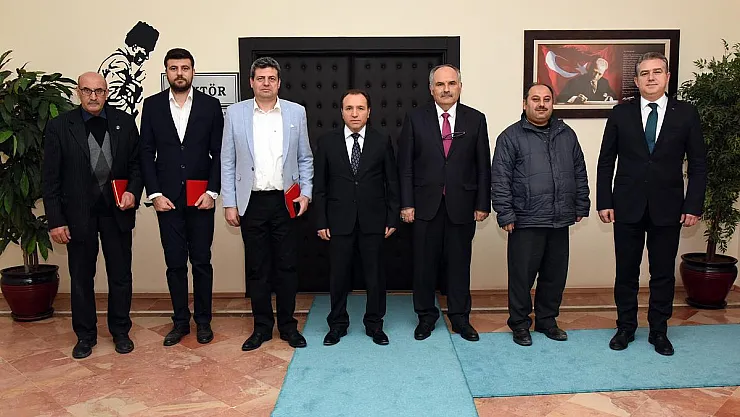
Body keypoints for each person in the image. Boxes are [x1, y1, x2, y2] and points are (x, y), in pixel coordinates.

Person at [597, 52, 707, 356]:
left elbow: (698, 164)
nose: (651, 77)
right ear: (636, 80)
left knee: (662, 273)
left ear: (667, 77)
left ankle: (659, 330)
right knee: (626, 272)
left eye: (657, 72)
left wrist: (693, 205)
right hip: (626, 205)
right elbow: (606, 161)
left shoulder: (686, 113)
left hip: (669, 207)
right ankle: (625, 327)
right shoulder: (620, 113)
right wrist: (604, 200)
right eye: (644, 73)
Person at [42, 72, 143, 359]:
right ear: (78, 92)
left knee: (120, 276)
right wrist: (56, 220)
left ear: (107, 92)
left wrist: (133, 192)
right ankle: (85, 336)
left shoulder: (125, 122)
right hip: (78, 217)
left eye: (99, 90)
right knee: (81, 278)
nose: (94, 96)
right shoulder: (60, 126)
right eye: (87, 91)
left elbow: (137, 166)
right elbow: (50, 178)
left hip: (116, 214)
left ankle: (120, 331)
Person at [221, 57, 313, 351]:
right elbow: (228, 160)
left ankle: (288, 327)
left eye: (271, 78)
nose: (266, 83)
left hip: (286, 201)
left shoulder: (296, 112)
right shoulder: (235, 113)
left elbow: (305, 157)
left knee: (287, 266)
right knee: (257, 269)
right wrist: (229, 202)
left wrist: (306, 193)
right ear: (251, 82)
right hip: (252, 202)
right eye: (260, 78)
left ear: (279, 82)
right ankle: (261, 328)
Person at [397, 64, 491, 342]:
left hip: (462, 206)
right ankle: (426, 317)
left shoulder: (476, 119)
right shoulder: (415, 118)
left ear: (460, 87)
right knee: (424, 266)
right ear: (431, 89)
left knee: (459, 265)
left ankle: (460, 318)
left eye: (451, 83)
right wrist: (406, 203)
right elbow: (405, 166)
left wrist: (482, 203)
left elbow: (483, 166)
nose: (446, 89)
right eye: (440, 84)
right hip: (425, 206)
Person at [491, 83, 590, 346]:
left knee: (554, 276)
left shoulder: (567, 134)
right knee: (522, 278)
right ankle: (520, 324)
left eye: (547, 99)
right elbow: (500, 179)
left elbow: (579, 170)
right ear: (525, 104)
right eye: (535, 99)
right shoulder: (510, 137)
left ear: (552, 104)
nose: (541, 104)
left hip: (559, 218)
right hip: (525, 219)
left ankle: (547, 321)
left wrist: (581, 203)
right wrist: (505, 213)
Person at [139, 48, 224, 346]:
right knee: (175, 264)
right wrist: (155, 194)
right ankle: (179, 322)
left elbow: (219, 153)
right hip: (168, 200)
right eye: (174, 68)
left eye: (184, 68)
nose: (179, 73)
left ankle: (204, 322)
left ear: (193, 72)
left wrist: (212, 191)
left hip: (201, 199)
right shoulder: (152, 106)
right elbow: (146, 153)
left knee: (201, 262)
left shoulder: (210, 106)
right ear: (166, 72)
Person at [314, 89, 400, 346]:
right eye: (349, 108)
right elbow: (320, 186)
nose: (354, 113)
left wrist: (392, 217)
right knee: (338, 276)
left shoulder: (381, 141)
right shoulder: (327, 142)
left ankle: (375, 324)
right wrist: (321, 220)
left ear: (369, 112)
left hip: (374, 220)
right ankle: (337, 324)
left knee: (375, 276)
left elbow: (392, 182)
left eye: (360, 108)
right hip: (338, 221)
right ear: (341, 112)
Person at [98, 21, 160, 117]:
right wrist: (128, 116)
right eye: (146, 51)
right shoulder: (120, 62)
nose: (147, 57)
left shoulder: (121, 61)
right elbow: (113, 97)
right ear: (135, 47)